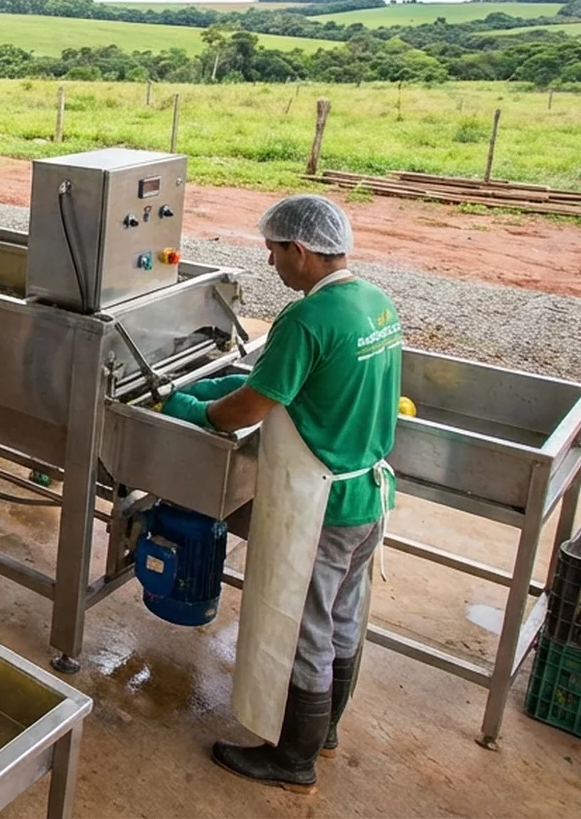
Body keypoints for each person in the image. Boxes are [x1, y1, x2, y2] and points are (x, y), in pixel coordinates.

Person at [161, 195, 402, 794]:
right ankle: (324, 734)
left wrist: (195, 408)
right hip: (368, 497)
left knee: (303, 629)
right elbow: (306, 381)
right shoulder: (375, 303)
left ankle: (292, 760)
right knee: (343, 620)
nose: (271, 264)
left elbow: (249, 408)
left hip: (323, 504)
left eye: (273, 252)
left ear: (299, 249)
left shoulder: (307, 320)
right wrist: (240, 381)